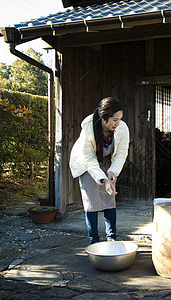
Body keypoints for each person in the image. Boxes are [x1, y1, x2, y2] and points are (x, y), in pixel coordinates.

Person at [69, 97, 129, 244]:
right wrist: (102, 180)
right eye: (115, 119)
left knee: (109, 198)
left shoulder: (122, 128)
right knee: (92, 201)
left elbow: (121, 154)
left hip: (106, 161)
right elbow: (89, 159)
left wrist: (112, 173)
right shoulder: (88, 127)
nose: (118, 123)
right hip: (86, 163)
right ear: (104, 118)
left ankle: (111, 239)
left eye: (120, 119)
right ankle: (94, 241)